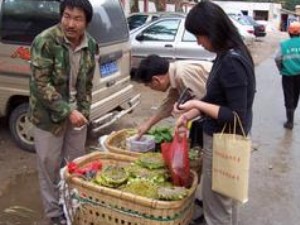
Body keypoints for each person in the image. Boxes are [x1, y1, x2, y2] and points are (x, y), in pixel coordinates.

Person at [174, 1, 256, 225]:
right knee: (224, 204)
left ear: (212, 31)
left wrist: (198, 107)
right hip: (222, 139)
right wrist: (188, 113)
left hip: (224, 142)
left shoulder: (232, 61)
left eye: (199, 35)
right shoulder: (226, 54)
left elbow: (236, 116)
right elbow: (216, 99)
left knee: (218, 210)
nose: (198, 42)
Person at [29, 0, 98, 224]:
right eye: (67, 16)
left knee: (74, 165)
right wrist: (68, 111)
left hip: (77, 117)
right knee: (49, 167)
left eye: (77, 19)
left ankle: (70, 206)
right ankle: (53, 215)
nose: (70, 23)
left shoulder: (92, 45)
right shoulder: (45, 41)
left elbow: (87, 84)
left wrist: (84, 113)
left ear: (86, 21)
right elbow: (40, 85)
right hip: (48, 118)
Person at [132, 54, 212, 139]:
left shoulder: (182, 75)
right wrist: (148, 124)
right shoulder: (175, 73)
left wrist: (184, 118)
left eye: (148, 85)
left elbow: (205, 103)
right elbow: (169, 103)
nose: (151, 88)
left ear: (156, 80)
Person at [275, 21, 300, 130]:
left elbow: (277, 58)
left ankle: (290, 122)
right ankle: (293, 110)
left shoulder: (284, 45)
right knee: (296, 95)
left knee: (288, 96)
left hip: (287, 75)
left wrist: (281, 69)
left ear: (289, 33)